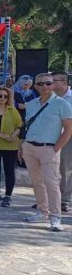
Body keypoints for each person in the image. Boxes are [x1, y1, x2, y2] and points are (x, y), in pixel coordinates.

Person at [21, 73, 72, 232]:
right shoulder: (32, 104)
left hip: (49, 148)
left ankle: (55, 217)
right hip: (30, 147)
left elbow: (68, 129)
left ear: (53, 85)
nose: (45, 87)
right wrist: (22, 146)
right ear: (35, 86)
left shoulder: (62, 104)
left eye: (48, 84)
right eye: (41, 84)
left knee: (52, 184)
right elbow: (27, 126)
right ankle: (43, 212)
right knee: (36, 182)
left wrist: (56, 148)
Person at [53, 71, 72, 212]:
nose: (50, 83)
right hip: (49, 137)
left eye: (54, 80)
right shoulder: (49, 97)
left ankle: (64, 200)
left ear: (64, 82)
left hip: (68, 137)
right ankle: (49, 199)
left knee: (65, 168)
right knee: (48, 168)